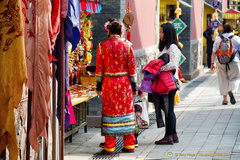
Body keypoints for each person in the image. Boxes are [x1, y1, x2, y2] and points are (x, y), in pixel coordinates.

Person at [95, 20, 137, 154]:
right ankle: (129, 144)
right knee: (126, 110)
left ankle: (109, 146)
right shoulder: (128, 45)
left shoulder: (102, 46)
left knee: (110, 111)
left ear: (108, 30)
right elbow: (132, 67)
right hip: (124, 83)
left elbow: (99, 68)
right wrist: (134, 86)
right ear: (121, 31)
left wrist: (98, 85)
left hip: (108, 83)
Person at [152, 22, 180, 145]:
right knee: (168, 110)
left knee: (169, 110)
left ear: (168, 33)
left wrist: (158, 69)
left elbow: (173, 64)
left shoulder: (172, 47)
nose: (160, 34)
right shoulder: (166, 47)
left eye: (162, 32)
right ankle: (173, 135)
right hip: (165, 83)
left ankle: (169, 136)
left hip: (169, 84)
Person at [210, 23, 240, 105]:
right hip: (234, 61)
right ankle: (232, 91)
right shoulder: (237, 38)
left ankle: (225, 99)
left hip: (220, 61)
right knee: (235, 78)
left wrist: (212, 63)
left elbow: (214, 52)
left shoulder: (218, 38)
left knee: (222, 79)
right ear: (232, 30)